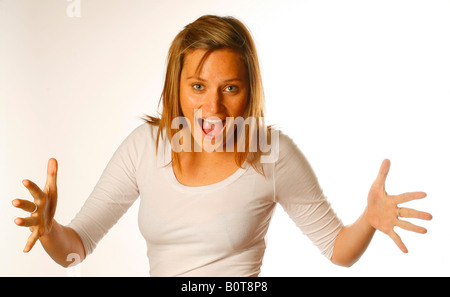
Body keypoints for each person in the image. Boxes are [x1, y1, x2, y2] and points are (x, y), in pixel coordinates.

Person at [12, 15, 432, 276]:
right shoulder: (145, 147)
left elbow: (339, 252)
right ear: (176, 89)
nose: (213, 107)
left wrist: (368, 220)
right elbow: (75, 251)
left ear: (250, 91)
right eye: (198, 86)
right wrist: (50, 231)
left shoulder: (271, 153)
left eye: (230, 88)